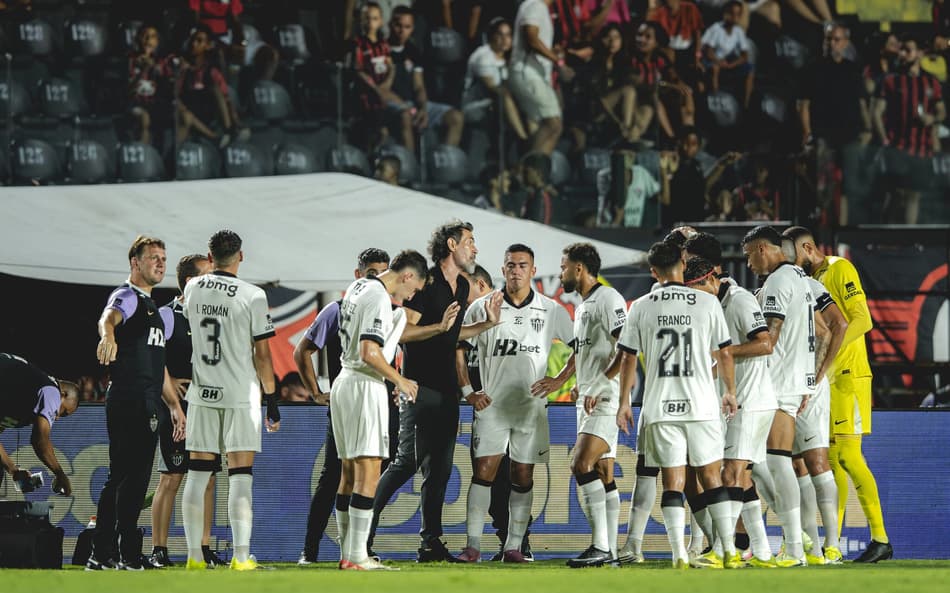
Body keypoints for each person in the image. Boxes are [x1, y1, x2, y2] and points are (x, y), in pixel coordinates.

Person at [616, 240, 739, 569]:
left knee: (673, 483)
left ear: (653, 271)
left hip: (660, 406)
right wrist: (729, 390)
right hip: (701, 404)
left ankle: (678, 554)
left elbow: (627, 357)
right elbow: (725, 351)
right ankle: (726, 550)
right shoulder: (707, 301)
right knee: (711, 477)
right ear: (683, 265)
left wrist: (624, 402)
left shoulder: (640, 305)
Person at [455, 244, 573, 563]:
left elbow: (581, 348)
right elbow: (458, 347)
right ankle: (473, 546)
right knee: (484, 471)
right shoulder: (483, 306)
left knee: (523, 475)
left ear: (533, 271)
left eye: (522, 265)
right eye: (510, 265)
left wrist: (559, 380)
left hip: (530, 407)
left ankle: (514, 546)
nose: (516, 270)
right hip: (491, 404)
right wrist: (468, 391)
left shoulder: (551, 310)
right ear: (503, 269)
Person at [781, 226, 893, 563]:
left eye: (793, 253)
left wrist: (832, 349)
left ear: (809, 248)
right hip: (827, 381)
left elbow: (863, 319)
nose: (790, 261)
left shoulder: (839, 268)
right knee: (831, 462)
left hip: (848, 377)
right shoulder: (806, 283)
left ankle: (880, 539)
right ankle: (833, 542)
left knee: (847, 456)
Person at [370, 220, 479, 562]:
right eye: (470, 242)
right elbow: (402, 333)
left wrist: (486, 324)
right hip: (419, 387)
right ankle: (361, 536)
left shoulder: (462, 285)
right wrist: (439, 327)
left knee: (441, 470)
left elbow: (451, 334)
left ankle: (430, 542)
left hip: (448, 391)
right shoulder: (426, 281)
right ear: (451, 245)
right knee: (405, 463)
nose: (474, 249)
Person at [180, 229, 279, 571]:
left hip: (202, 392)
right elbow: (263, 355)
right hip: (240, 394)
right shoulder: (253, 295)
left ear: (210, 257)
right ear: (241, 256)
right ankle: (240, 556)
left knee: (197, 475)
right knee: (240, 475)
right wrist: (272, 397)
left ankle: (194, 557)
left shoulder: (192, 288)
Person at [89, 235, 182, 571]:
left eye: (163, 257)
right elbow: (108, 317)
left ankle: (122, 552)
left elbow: (158, 369)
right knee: (123, 478)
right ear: (135, 263)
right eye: (153, 257)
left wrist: (173, 405)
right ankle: (105, 552)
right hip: (129, 397)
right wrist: (108, 335)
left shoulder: (153, 309)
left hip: (148, 400)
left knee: (135, 480)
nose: (160, 263)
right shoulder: (127, 296)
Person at [333, 250, 429, 570]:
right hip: (363, 384)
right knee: (369, 471)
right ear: (407, 276)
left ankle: (348, 553)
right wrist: (400, 380)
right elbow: (369, 351)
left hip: (344, 382)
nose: (411, 295)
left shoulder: (359, 286)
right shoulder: (376, 295)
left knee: (348, 474)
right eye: (413, 289)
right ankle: (358, 556)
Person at [294, 248, 390, 565]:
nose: (377, 278)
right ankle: (311, 551)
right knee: (334, 475)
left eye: (382, 272)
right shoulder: (336, 310)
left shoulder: (387, 305)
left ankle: (356, 548)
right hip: (347, 400)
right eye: (371, 272)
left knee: (369, 472)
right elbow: (302, 351)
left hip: (375, 399)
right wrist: (315, 391)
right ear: (358, 274)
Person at [683, 256, 778, 567]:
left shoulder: (739, 301)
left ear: (713, 279)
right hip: (736, 402)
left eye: (698, 289)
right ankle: (762, 551)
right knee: (744, 478)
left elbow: (764, 344)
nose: (695, 297)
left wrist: (723, 352)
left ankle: (727, 550)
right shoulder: (710, 306)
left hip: (752, 402)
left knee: (730, 474)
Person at [740, 225, 817, 567]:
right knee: (766, 462)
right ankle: (798, 539)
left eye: (748, 254)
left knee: (771, 461)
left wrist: (727, 354)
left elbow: (768, 340)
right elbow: (821, 329)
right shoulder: (801, 278)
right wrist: (808, 380)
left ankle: (796, 544)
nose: (749, 263)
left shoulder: (777, 281)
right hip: (796, 379)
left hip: (778, 382)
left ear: (762, 248)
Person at [148, 254, 224, 569]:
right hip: (174, 406)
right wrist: (172, 393)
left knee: (207, 479)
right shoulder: (166, 315)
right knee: (172, 477)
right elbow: (154, 358)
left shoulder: (214, 316)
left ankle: (202, 547)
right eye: (208, 276)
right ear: (191, 281)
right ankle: (159, 549)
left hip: (207, 404)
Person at [777, 234, 847, 565]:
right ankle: (818, 546)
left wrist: (815, 375)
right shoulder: (803, 285)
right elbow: (829, 326)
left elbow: (834, 326)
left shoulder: (798, 285)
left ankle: (824, 544)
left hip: (800, 385)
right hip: (799, 384)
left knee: (806, 462)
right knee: (799, 464)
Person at [557, 243, 627, 567]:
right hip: (588, 398)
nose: (561, 273)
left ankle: (600, 546)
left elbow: (626, 348)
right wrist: (564, 381)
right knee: (603, 472)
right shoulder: (585, 305)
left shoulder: (608, 299)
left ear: (579, 269)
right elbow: (583, 352)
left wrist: (598, 385)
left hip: (605, 399)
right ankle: (609, 551)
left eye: (564, 267)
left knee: (580, 464)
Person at [797, 24, 870, 225]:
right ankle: (824, 229)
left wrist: (867, 129)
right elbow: (804, 105)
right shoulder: (813, 68)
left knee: (850, 186)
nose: (832, 44)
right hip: (823, 135)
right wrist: (808, 134)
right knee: (823, 185)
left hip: (849, 134)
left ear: (845, 43)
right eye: (828, 39)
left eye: (837, 39)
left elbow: (861, 102)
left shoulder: (853, 69)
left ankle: (843, 230)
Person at [872, 34, 945, 224]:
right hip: (897, 147)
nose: (902, 54)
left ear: (920, 54)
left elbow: (941, 112)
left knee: (913, 195)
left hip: (921, 148)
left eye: (908, 50)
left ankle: (908, 239)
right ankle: (884, 236)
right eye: (901, 49)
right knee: (895, 193)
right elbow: (876, 112)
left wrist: (932, 118)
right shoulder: (891, 80)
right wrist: (885, 141)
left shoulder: (932, 83)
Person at [383, 7, 465, 155]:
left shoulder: (413, 51)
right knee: (406, 116)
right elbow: (381, 90)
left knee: (456, 117)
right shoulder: (382, 50)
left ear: (412, 28)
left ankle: (444, 163)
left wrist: (423, 108)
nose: (402, 31)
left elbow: (419, 86)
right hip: (391, 105)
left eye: (407, 27)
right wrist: (408, 108)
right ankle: (411, 166)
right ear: (390, 25)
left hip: (413, 103)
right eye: (398, 25)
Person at [0, 353, 78, 496]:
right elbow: (40, 440)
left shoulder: (23, 393)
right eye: (64, 411)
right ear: (64, 394)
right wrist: (60, 474)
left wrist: (13, 470)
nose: (58, 417)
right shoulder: (51, 391)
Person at [510, 0, 568, 155]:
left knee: (540, 128)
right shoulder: (536, 5)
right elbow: (531, 38)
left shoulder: (537, 7)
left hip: (535, 74)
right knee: (553, 125)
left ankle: (533, 174)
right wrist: (558, 61)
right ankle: (526, 171)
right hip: (528, 73)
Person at [462, 17, 529, 141]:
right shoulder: (483, 56)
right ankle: (523, 139)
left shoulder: (510, 58)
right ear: (491, 36)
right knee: (504, 95)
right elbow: (493, 88)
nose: (505, 40)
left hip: (496, 105)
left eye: (508, 35)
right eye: (500, 34)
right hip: (475, 107)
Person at [701, 0, 754, 108]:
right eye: (732, 14)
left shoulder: (738, 31)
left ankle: (746, 103)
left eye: (737, 14)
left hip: (726, 60)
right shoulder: (716, 29)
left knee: (749, 69)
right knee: (715, 69)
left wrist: (731, 65)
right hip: (711, 59)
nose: (734, 17)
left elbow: (744, 55)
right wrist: (720, 62)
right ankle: (716, 99)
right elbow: (708, 52)